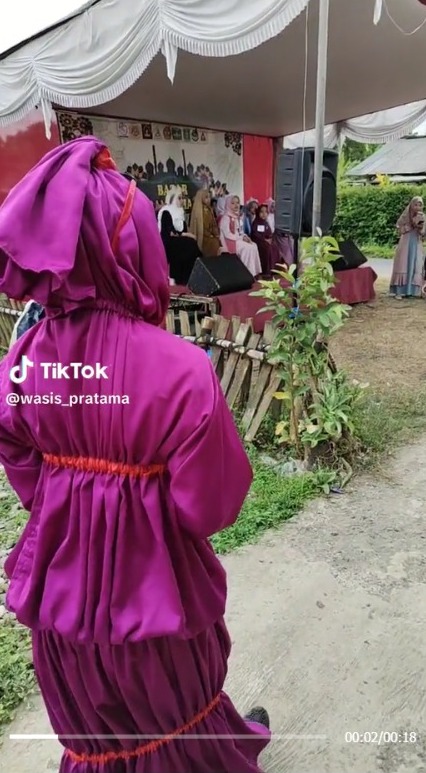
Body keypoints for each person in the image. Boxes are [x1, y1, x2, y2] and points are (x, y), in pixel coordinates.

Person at [0, 137, 270, 773]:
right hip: (157, 597)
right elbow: (210, 504)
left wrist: (71, 499)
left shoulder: (24, 359)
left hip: (61, 598)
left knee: (93, 726)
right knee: (173, 714)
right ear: (132, 245)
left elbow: (17, 452)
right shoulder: (181, 369)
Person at [158, 186, 201, 285]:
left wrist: (187, 235)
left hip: (179, 242)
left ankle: (189, 278)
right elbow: (169, 232)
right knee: (189, 244)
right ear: (173, 198)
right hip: (168, 243)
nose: (182, 200)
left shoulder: (180, 213)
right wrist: (186, 234)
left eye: (182, 198)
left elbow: (183, 230)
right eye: (179, 198)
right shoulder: (166, 211)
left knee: (191, 244)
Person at [390, 196, 425, 299]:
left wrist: (420, 227)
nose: (417, 207)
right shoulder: (405, 216)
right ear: (411, 205)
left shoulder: (423, 216)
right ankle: (399, 291)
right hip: (405, 243)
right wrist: (410, 225)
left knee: (415, 264)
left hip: (416, 243)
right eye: (415, 205)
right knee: (403, 264)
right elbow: (399, 230)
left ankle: (412, 291)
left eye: (420, 205)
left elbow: (423, 234)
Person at [220, 195, 262, 277]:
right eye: (232, 203)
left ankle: (254, 272)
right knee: (247, 248)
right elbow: (227, 234)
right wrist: (240, 238)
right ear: (228, 204)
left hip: (237, 239)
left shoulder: (237, 217)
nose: (236, 205)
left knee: (254, 245)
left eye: (237, 203)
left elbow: (240, 231)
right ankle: (245, 274)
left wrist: (244, 237)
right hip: (230, 241)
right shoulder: (226, 218)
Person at [189, 188, 222, 257]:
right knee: (214, 244)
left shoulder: (209, 209)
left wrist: (215, 234)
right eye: (206, 197)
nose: (209, 199)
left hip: (211, 236)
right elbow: (200, 228)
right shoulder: (197, 211)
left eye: (209, 197)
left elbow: (213, 224)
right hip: (202, 238)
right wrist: (210, 235)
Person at [251, 204, 280, 277]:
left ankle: (273, 269)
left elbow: (269, 232)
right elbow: (255, 234)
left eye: (266, 212)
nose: (264, 214)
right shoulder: (256, 222)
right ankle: (266, 271)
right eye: (261, 212)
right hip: (258, 242)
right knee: (267, 248)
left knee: (275, 247)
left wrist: (269, 238)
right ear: (258, 213)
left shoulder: (266, 223)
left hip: (266, 241)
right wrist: (264, 240)